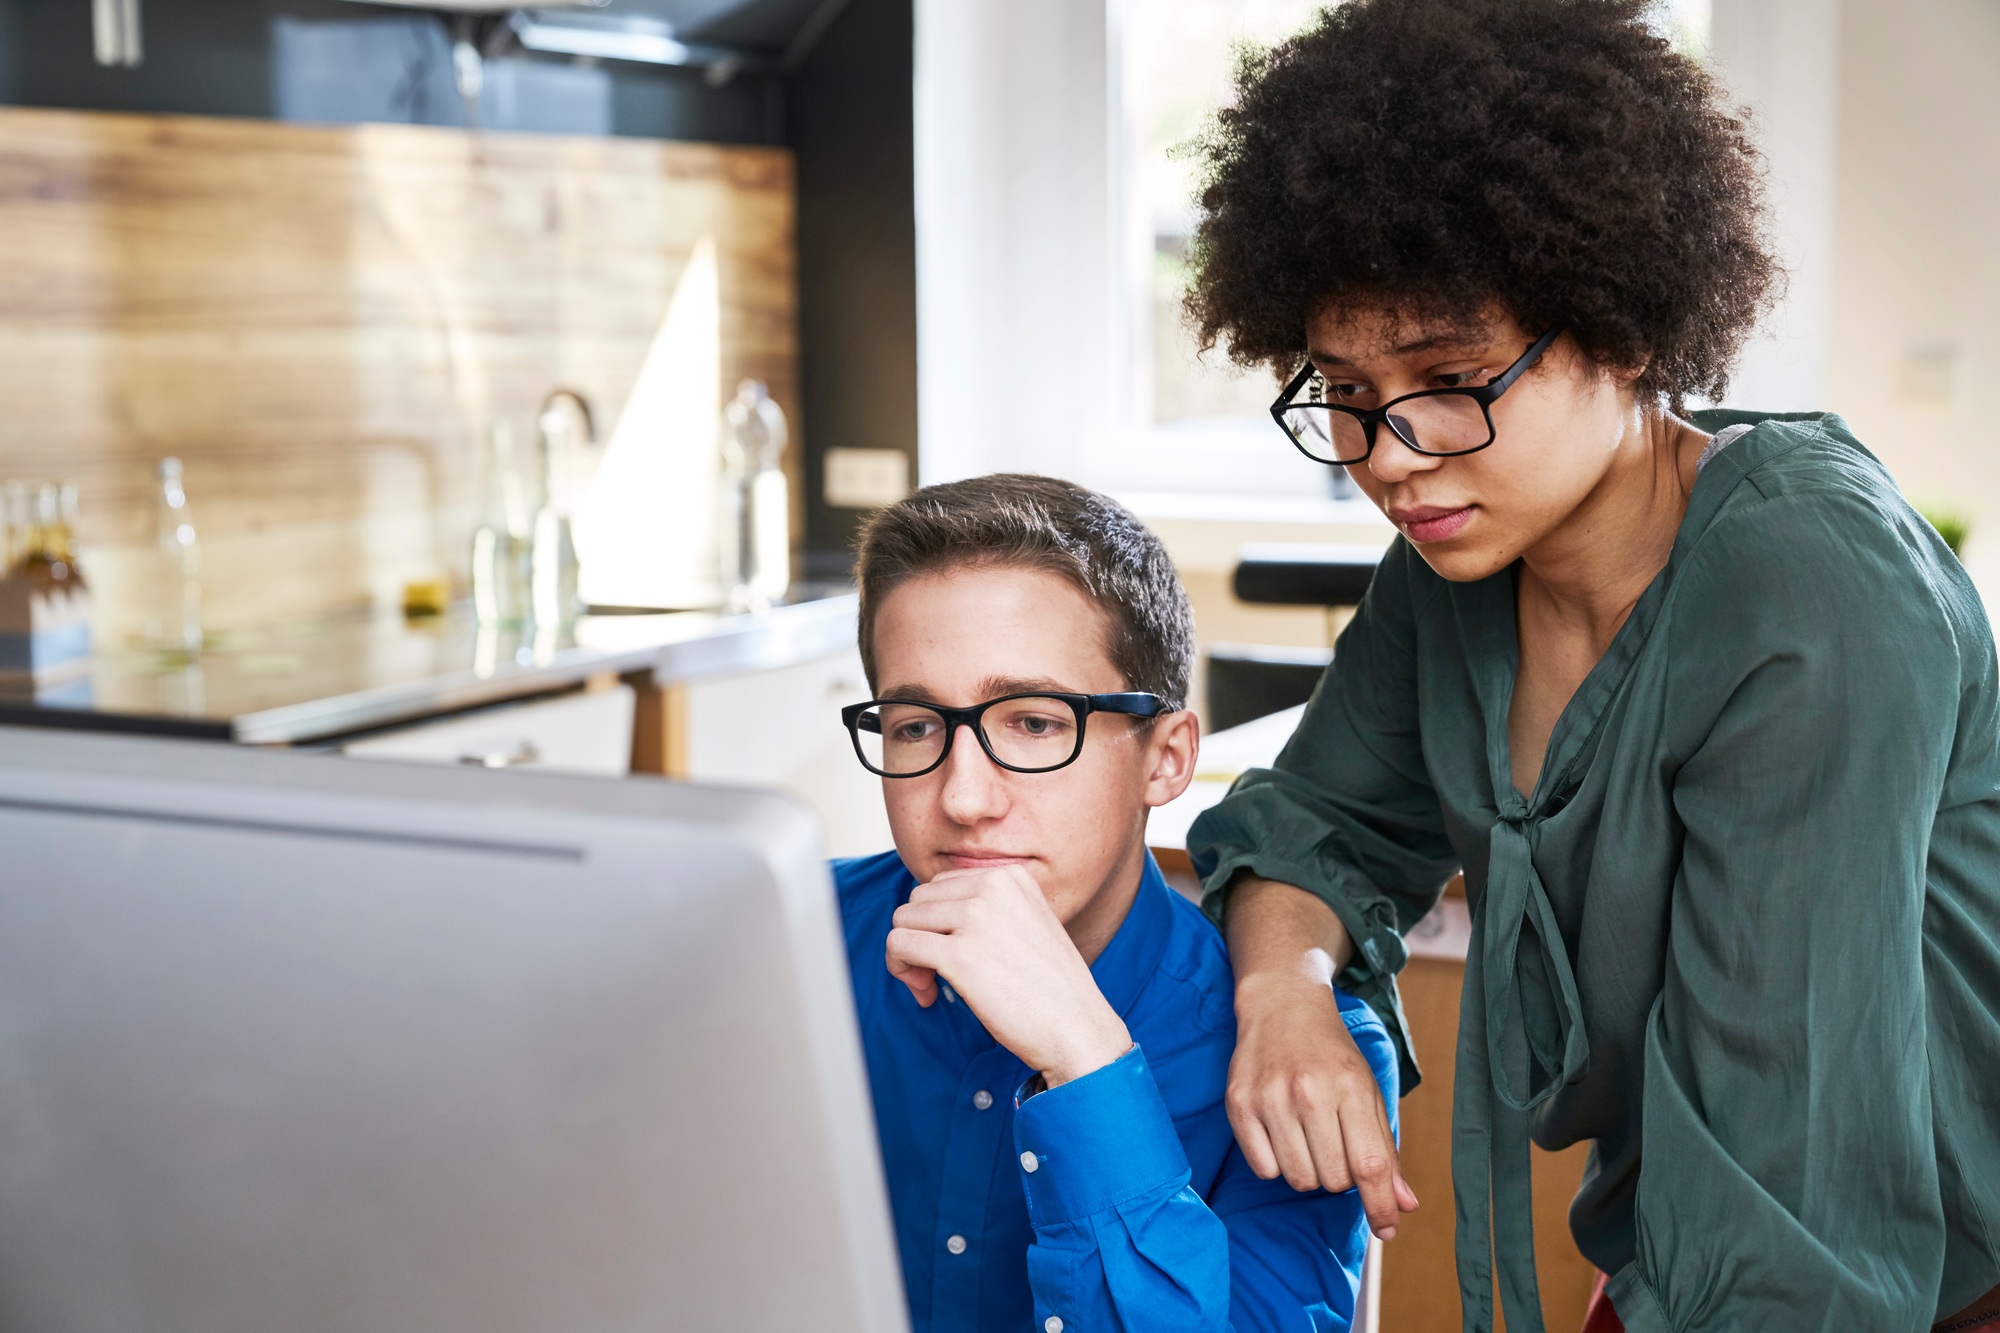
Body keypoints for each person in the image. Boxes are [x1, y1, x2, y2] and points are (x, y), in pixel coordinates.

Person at [1177, 2, 2000, 1331]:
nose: (1388, 452)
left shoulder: (1810, 587)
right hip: (1693, 1253)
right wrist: (1282, 986)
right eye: (1344, 390)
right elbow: (1310, 824)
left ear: (1619, 328)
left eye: (1451, 377)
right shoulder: (1453, 573)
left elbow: (1792, 1189)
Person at [831, 474, 1398, 1333]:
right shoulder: (791, 941)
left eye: (1033, 722)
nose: (964, 797)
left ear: (1165, 760)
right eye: (917, 725)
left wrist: (1087, 1058)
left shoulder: (1301, 1059)